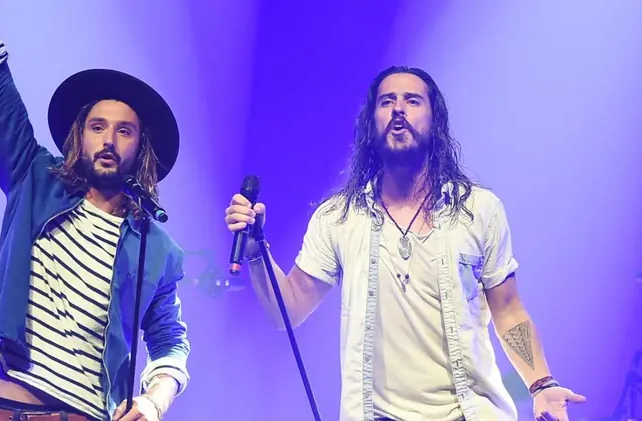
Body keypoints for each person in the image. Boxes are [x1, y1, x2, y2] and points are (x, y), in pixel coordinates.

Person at [224, 66, 586, 421]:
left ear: (435, 121)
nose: (399, 109)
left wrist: (542, 384)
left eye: (412, 100)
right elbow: (287, 311)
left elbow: (508, 311)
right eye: (387, 102)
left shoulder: (479, 210)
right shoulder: (338, 217)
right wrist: (256, 249)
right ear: (371, 123)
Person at [0, 1, 190, 420]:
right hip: (6, 407)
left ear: (142, 148)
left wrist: (154, 401)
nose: (109, 140)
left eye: (124, 131)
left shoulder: (157, 249)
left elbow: (171, 340)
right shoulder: (34, 179)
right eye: (98, 127)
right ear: (79, 136)